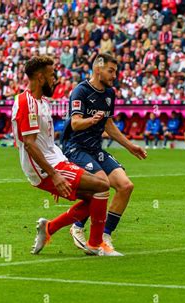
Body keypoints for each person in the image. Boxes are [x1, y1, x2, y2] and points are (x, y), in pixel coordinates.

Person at [12, 55, 121, 256]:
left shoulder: (42, 101)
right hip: (44, 170)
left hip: (56, 160)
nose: (56, 79)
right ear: (40, 77)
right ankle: (95, 244)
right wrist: (53, 175)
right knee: (102, 185)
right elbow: (29, 145)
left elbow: (44, 143)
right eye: (52, 75)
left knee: (93, 197)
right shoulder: (27, 103)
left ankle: (50, 228)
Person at [61, 53, 147, 252]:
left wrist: (130, 146)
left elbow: (108, 125)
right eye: (111, 70)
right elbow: (75, 123)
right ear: (97, 69)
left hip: (95, 149)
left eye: (115, 71)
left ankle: (105, 236)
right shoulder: (80, 91)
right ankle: (79, 227)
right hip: (76, 148)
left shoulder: (109, 94)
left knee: (125, 186)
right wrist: (91, 121)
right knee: (102, 185)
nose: (114, 75)